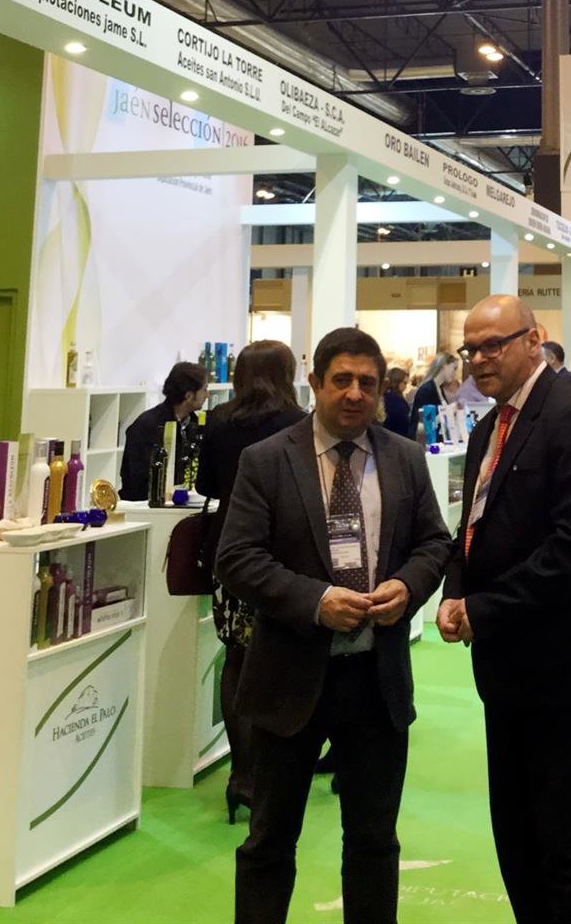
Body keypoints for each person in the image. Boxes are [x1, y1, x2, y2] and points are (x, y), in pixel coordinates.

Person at [215, 326, 451, 924]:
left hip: (376, 681)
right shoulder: (266, 461)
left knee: (374, 843)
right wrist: (315, 600)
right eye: (341, 380)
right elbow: (236, 558)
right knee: (269, 843)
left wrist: (409, 586)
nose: (354, 394)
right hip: (288, 679)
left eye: (367, 383)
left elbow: (434, 543)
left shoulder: (405, 458)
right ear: (315, 383)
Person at [437, 296, 571, 924]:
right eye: (471, 348)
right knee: (518, 842)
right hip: (507, 673)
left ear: (533, 340)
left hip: (567, 675)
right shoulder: (490, 427)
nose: (480, 359)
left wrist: (484, 609)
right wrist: (454, 590)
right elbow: (472, 527)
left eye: (493, 344)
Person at [199, 341, 306, 822]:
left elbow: (204, 485)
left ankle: (242, 773)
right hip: (283, 553)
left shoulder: (220, 420)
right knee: (283, 660)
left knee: (236, 660)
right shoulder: (297, 422)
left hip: (230, 552)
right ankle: (274, 770)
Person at [120, 360, 208, 500]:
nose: (207, 395)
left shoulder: (195, 425)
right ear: (189, 395)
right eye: (204, 390)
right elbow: (140, 479)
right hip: (145, 504)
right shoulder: (146, 426)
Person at [408, 350, 460, 438]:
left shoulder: (439, 389)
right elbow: (425, 423)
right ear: (444, 366)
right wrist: (448, 411)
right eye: (454, 368)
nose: (454, 373)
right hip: (423, 440)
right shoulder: (426, 390)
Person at [381, 365, 411, 437]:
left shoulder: (382, 396)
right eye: (404, 383)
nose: (405, 386)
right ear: (398, 381)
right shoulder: (398, 402)